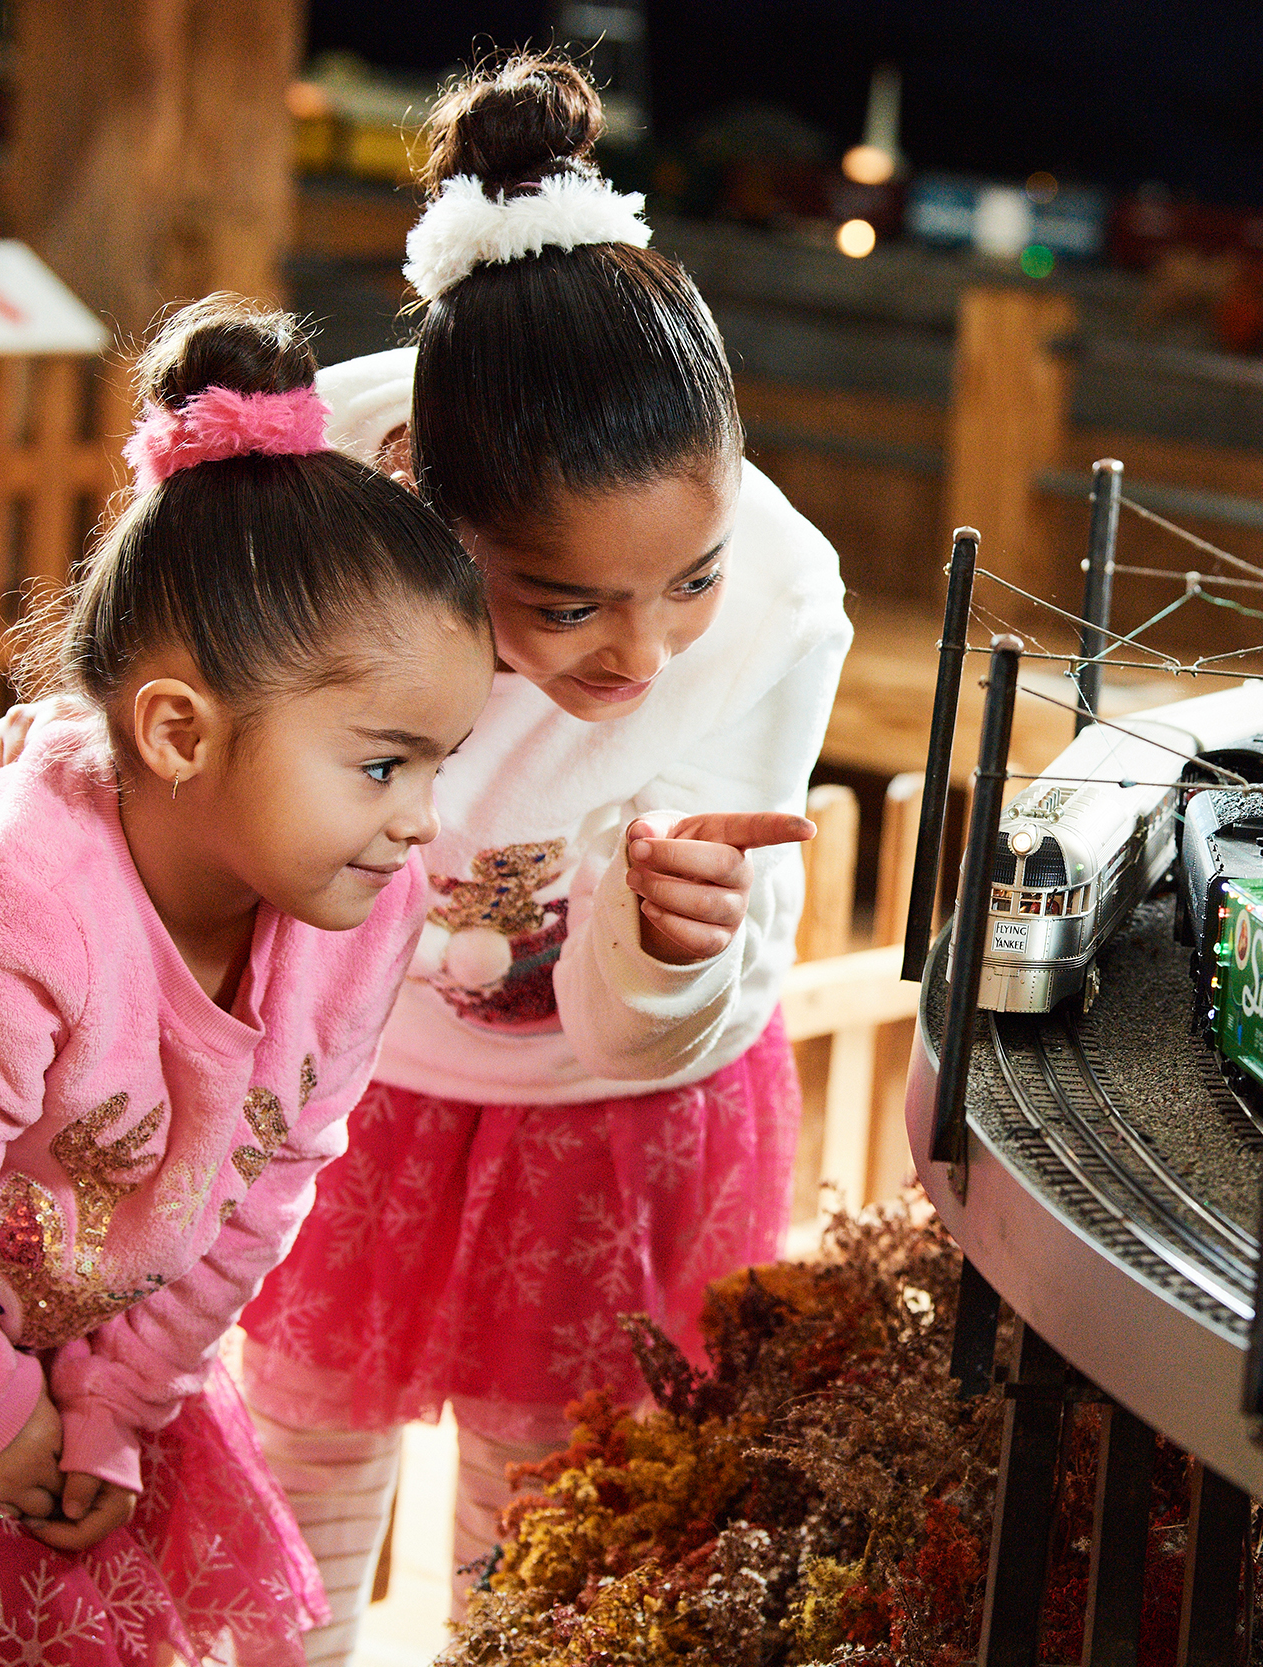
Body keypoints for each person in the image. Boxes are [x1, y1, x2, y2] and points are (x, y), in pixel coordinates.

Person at [199, 52, 845, 1660]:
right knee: (292, 1483)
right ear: (435, 514)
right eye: (563, 603)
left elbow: (654, 1029)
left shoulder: (777, 603)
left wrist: (669, 942)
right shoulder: (318, 485)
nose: (640, 656)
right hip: (348, 1091)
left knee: (543, 1543)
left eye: (681, 579)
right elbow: (174, 704)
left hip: (607, 1125)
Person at [0, 297, 491, 1666]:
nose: (420, 820)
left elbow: (268, 1176)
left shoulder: (356, 904)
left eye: (441, 762)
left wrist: (122, 1403)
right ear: (176, 732)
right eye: (387, 764)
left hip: (51, 1344)